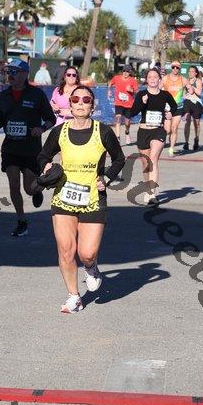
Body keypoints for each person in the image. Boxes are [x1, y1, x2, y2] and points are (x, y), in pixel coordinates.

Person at [38, 85, 125, 313]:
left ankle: (91, 266)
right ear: (70, 104)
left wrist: (107, 178)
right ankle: (74, 296)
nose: (80, 103)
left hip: (93, 199)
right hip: (63, 197)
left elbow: (119, 159)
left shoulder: (103, 131)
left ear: (92, 106)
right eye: (75, 99)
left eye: (86, 100)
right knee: (66, 249)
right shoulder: (60, 131)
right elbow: (43, 155)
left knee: (86, 253)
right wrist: (45, 166)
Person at [0, 58, 56, 237]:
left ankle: (38, 189)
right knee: (13, 183)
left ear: (25, 74)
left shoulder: (36, 95)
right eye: (8, 72)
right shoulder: (3, 96)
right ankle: (21, 221)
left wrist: (41, 128)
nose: (10, 75)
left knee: (29, 189)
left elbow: (51, 119)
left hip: (31, 149)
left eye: (14, 72)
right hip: (10, 149)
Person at [129, 68, 177, 205]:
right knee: (145, 163)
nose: (152, 79)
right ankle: (148, 188)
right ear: (147, 80)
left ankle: (152, 194)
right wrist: (142, 103)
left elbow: (174, 107)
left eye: (155, 77)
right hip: (144, 131)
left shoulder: (165, 95)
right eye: (150, 77)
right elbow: (132, 112)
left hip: (158, 130)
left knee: (153, 159)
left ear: (159, 80)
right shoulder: (142, 94)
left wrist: (170, 113)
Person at [107, 65, 139, 145]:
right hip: (119, 103)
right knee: (118, 118)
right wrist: (109, 90)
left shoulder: (133, 80)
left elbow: (136, 92)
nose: (125, 73)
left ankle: (127, 132)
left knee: (127, 122)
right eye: (124, 71)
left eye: (127, 71)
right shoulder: (117, 78)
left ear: (130, 72)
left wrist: (131, 90)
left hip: (128, 105)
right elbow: (110, 83)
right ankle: (118, 137)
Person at [162, 61, 187, 157]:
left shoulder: (183, 79)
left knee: (174, 128)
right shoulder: (165, 78)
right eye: (173, 67)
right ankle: (165, 140)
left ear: (179, 69)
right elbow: (158, 89)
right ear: (171, 68)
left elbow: (189, 88)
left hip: (178, 107)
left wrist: (190, 91)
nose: (175, 69)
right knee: (167, 130)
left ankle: (171, 149)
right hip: (167, 107)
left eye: (177, 68)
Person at [183, 66, 203, 151]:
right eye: (189, 71)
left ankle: (196, 139)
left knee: (197, 123)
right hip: (187, 102)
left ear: (195, 73)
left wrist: (192, 87)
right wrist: (185, 95)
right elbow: (184, 92)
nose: (190, 73)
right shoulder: (186, 81)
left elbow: (199, 93)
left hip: (196, 103)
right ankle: (186, 142)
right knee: (187, 121)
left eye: (192, 71)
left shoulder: (198, 81)